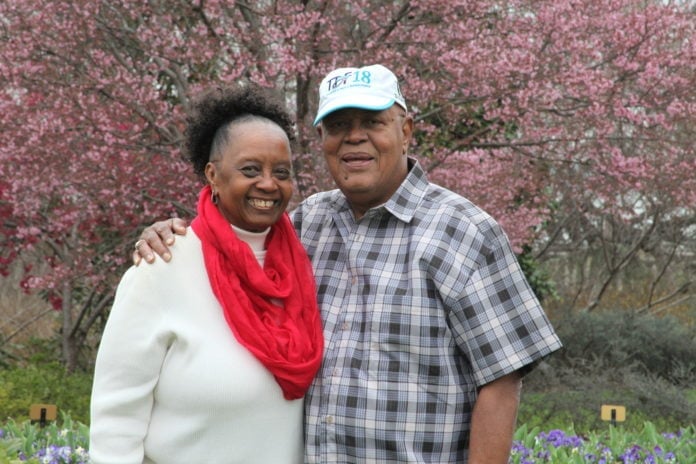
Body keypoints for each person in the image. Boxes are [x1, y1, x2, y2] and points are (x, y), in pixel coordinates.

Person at [134, 64, 563, 463]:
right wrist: (175, 236)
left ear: (406, 130)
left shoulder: (464, 233)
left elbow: (501, 381)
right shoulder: (303, 225)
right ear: (322, 139)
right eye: (339, 126)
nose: (354, 138)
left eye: (373, 122)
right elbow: (228, 251)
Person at [90, 84, 324, 464]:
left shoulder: (304, 262)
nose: (268, 183)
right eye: (250, 169)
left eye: (281, 172)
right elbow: (116, 417)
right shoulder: (163, 264)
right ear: (212, 174)